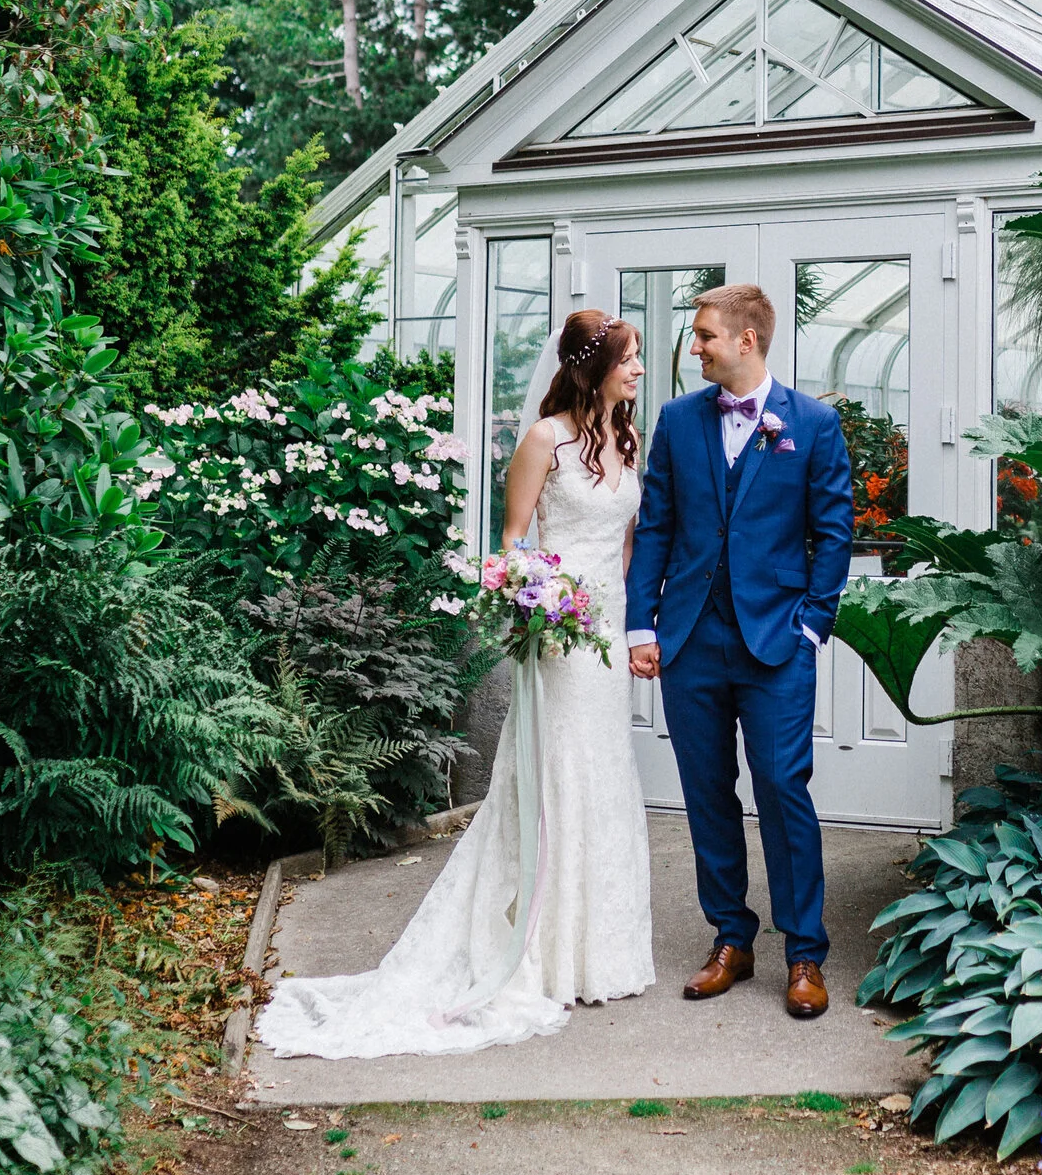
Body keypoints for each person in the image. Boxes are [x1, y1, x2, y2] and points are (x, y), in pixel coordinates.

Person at [254, 311, 655, 1059]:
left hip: (606, 636)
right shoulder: (545, 439)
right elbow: (511, 543)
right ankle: (541, 949)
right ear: (592, 367)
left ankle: (599, 950)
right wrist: (541, 599)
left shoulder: (629, 441)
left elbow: (628, 544)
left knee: (603, 772)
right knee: (558, 772)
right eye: (630, 360)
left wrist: (633, 626)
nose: (639, 371)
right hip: (562, 635)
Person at [625, 282, 855, 1021]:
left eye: (704, 335)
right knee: (706, 791)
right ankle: (731, 935)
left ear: (746, 340)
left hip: (776, 640)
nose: (694, 347)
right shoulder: (677, 420)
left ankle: (805, 953)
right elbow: (656, 525)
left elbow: (834, 530)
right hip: (691, 637)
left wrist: (812, 624)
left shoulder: (812, 424)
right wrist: (642, 623)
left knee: (783, 787)